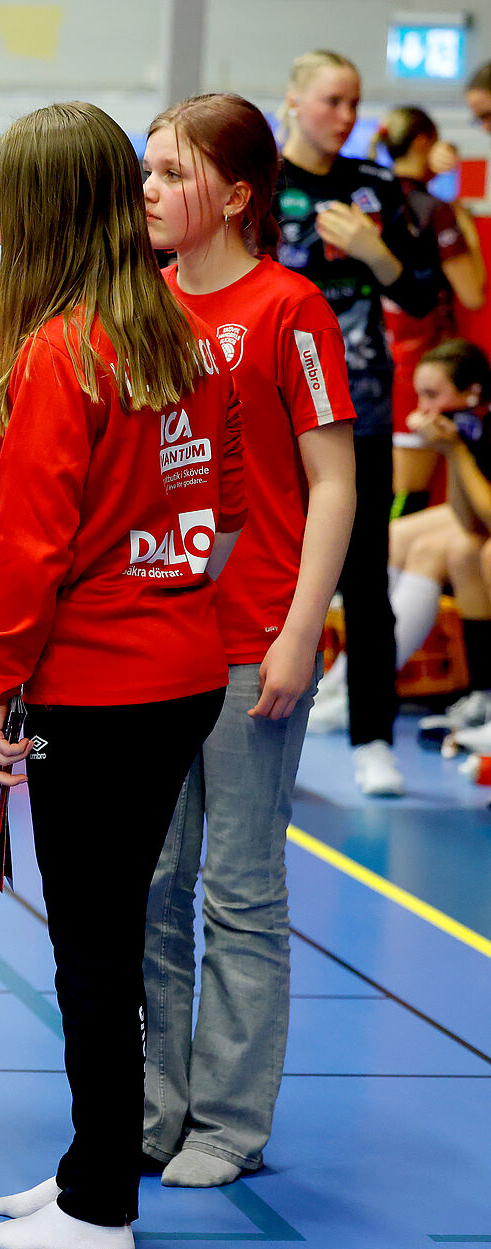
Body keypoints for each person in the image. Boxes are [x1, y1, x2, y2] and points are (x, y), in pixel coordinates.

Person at [0, 102, 244, 1249]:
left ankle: (100, 1208)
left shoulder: (58, 349)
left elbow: (29, 549)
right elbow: (222, 503)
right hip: (179, 670)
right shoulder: (173, 331)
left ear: (37, 211)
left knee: (90, 946)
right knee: (108, 937)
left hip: (101, 685)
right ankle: (91, 1166)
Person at [139, 93, 356, 1190]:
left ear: (231, 195)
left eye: (168, 174)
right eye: (144, 172)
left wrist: (295, 630)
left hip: (249, 645)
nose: (147, 192)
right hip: (149, 644)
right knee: (150, 883)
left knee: (237, 889)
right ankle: (154, 1106)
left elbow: (331, 481)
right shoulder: (142, 309)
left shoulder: (289, 309)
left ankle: (226, 1120)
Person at [274, 50, 434, 794]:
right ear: (294, 100)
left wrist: (376, 254)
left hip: (358, 413)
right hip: (269, 416)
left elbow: (425, 295)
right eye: (332, 100)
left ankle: (374, 737)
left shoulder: (375, 190)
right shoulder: (261, 186)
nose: (345, 117)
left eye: (354, 102)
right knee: (266, 576)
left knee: (362, 586)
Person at [372, 106, 485, 509]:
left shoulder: (369, 198)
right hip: (419, 369)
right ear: (424, 142)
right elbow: (472, 293)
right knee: (406, 498)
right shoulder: (434, 210)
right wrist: (466, 227)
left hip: (366, 367)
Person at [389, 340, 491, 744]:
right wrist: (452, 453)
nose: (422, 408)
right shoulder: (468, 425)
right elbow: (467, 517)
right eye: (418, 394)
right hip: (476, 524)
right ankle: (483, 694)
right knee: (461, 549)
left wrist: (456, 452)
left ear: (473, 393)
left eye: (432, 395)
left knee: (476, 552)